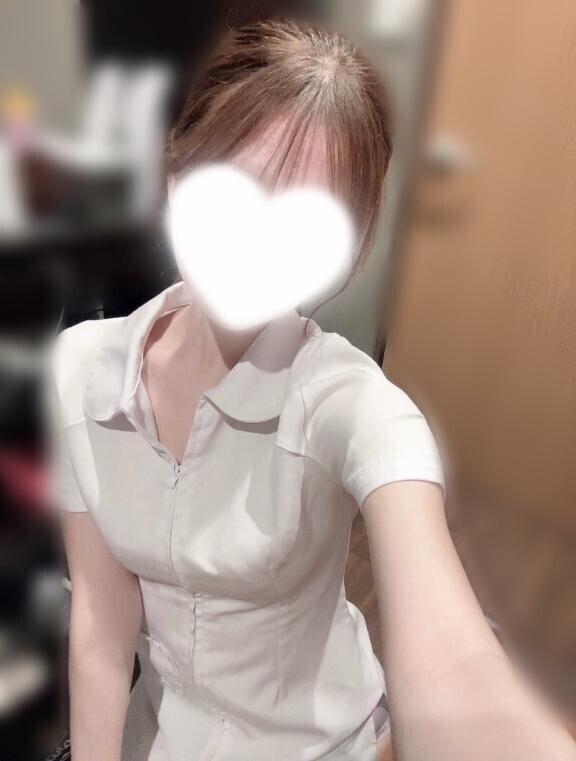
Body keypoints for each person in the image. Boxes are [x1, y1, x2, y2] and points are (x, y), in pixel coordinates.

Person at [45, 19, 576, 761]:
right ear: (176, 178)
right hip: (162, 735)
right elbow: (102, 622)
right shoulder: (81, 370)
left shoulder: (350, 404)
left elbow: (454, 669)